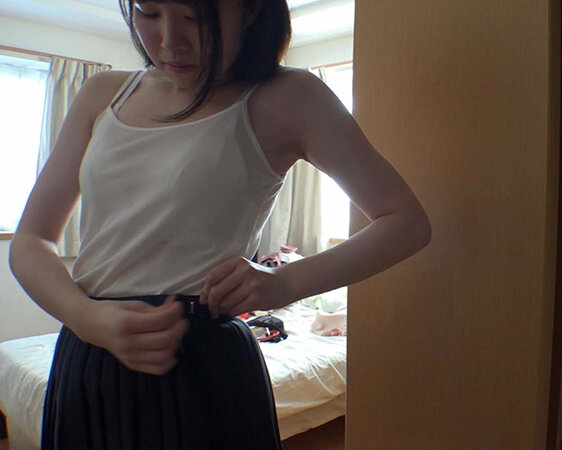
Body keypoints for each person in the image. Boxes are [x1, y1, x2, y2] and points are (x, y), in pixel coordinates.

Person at [8, 0, 432, 448]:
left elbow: (405, 222)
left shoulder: (289, 96)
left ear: (249, 11)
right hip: (88, 355)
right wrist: (84, 317)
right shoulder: (102, 93)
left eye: (196, 17)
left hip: (203, 366)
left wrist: (284, 283)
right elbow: (32, 238)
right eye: (148, 12)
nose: (170, 41)